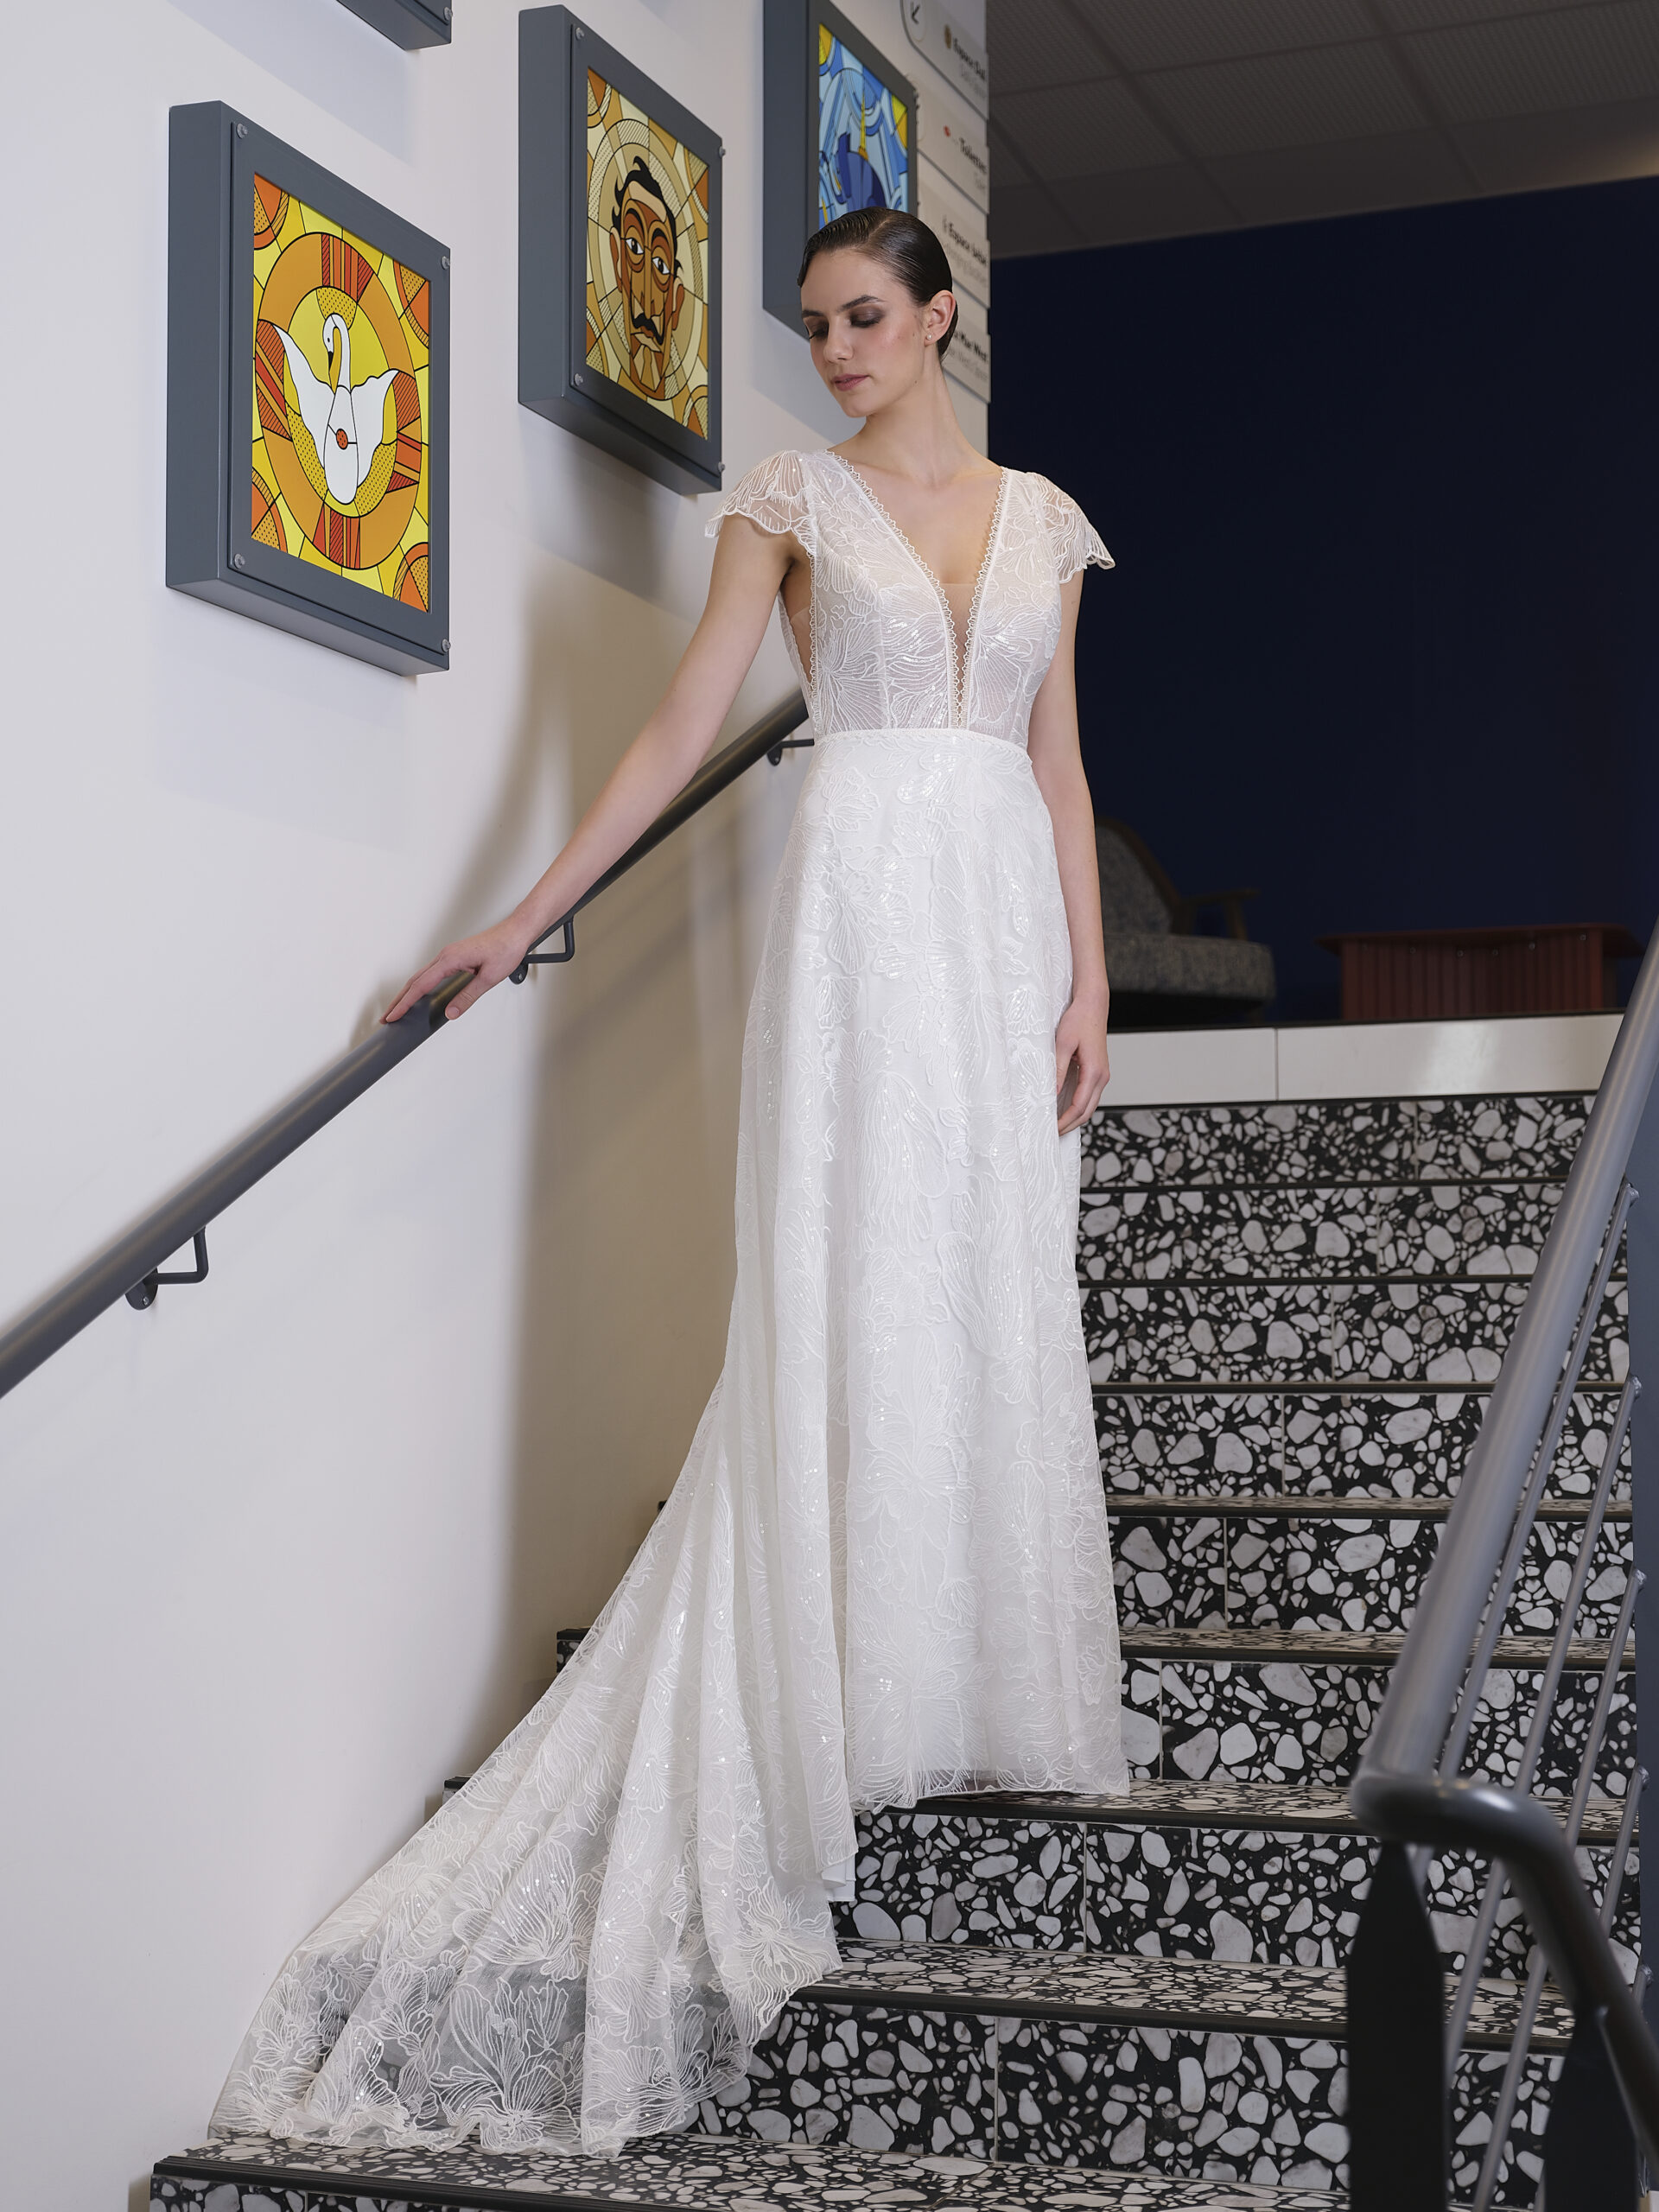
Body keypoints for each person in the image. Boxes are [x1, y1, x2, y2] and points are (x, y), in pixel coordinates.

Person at [211, 207, 1128, 2163]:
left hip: (1000, 934)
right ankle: (830, 1688)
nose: (837, 350)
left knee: (985, 1283)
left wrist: (1094, 982)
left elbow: (1058, 763)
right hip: (856, 914)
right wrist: (519, 919)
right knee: (848, 1276)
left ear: (941, 316)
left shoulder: (1045, 521)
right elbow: (680, 727)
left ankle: (956, 1672)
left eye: (866, 317)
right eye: (815, 325)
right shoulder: (785, 503)